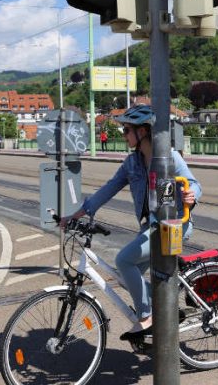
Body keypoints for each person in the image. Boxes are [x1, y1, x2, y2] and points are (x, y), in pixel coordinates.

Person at [60, 105, 201, 341]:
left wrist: (192, 194)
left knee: (124, 260)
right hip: (151, 228)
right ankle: (166, 310)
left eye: (127, 130)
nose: (123, 135)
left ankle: (148, 316)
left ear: (143, 131)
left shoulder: (169, 157)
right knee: (125, 276)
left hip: (174, 226)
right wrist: (79, 212)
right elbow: (109, 188)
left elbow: (193, 183)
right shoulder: (132, 163)